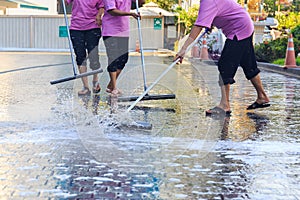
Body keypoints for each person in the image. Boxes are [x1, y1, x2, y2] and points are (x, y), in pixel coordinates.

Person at [175, 0, 270, 116]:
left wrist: (183, 50)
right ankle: (262, 96)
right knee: (248, 63)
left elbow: (198, 26)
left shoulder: (208, 1)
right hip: (245, 25)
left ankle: (224, 105)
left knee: (225, 65)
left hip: (239, 29)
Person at [102, 0, 145, 95]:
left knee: (124, 59)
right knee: (113, 58)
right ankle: (114, 88)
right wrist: (130, 13)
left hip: (123, 30)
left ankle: (110, 85)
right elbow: (112, 11)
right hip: (110, 30)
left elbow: (140, 3)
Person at [66, 0, 104, 95]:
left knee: (93, 55)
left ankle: (95, 81)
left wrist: (99, 15)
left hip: (93, 26)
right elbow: (66, 2)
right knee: (80, 56)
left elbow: (102, 6)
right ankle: (85, 87)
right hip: (76, 27)